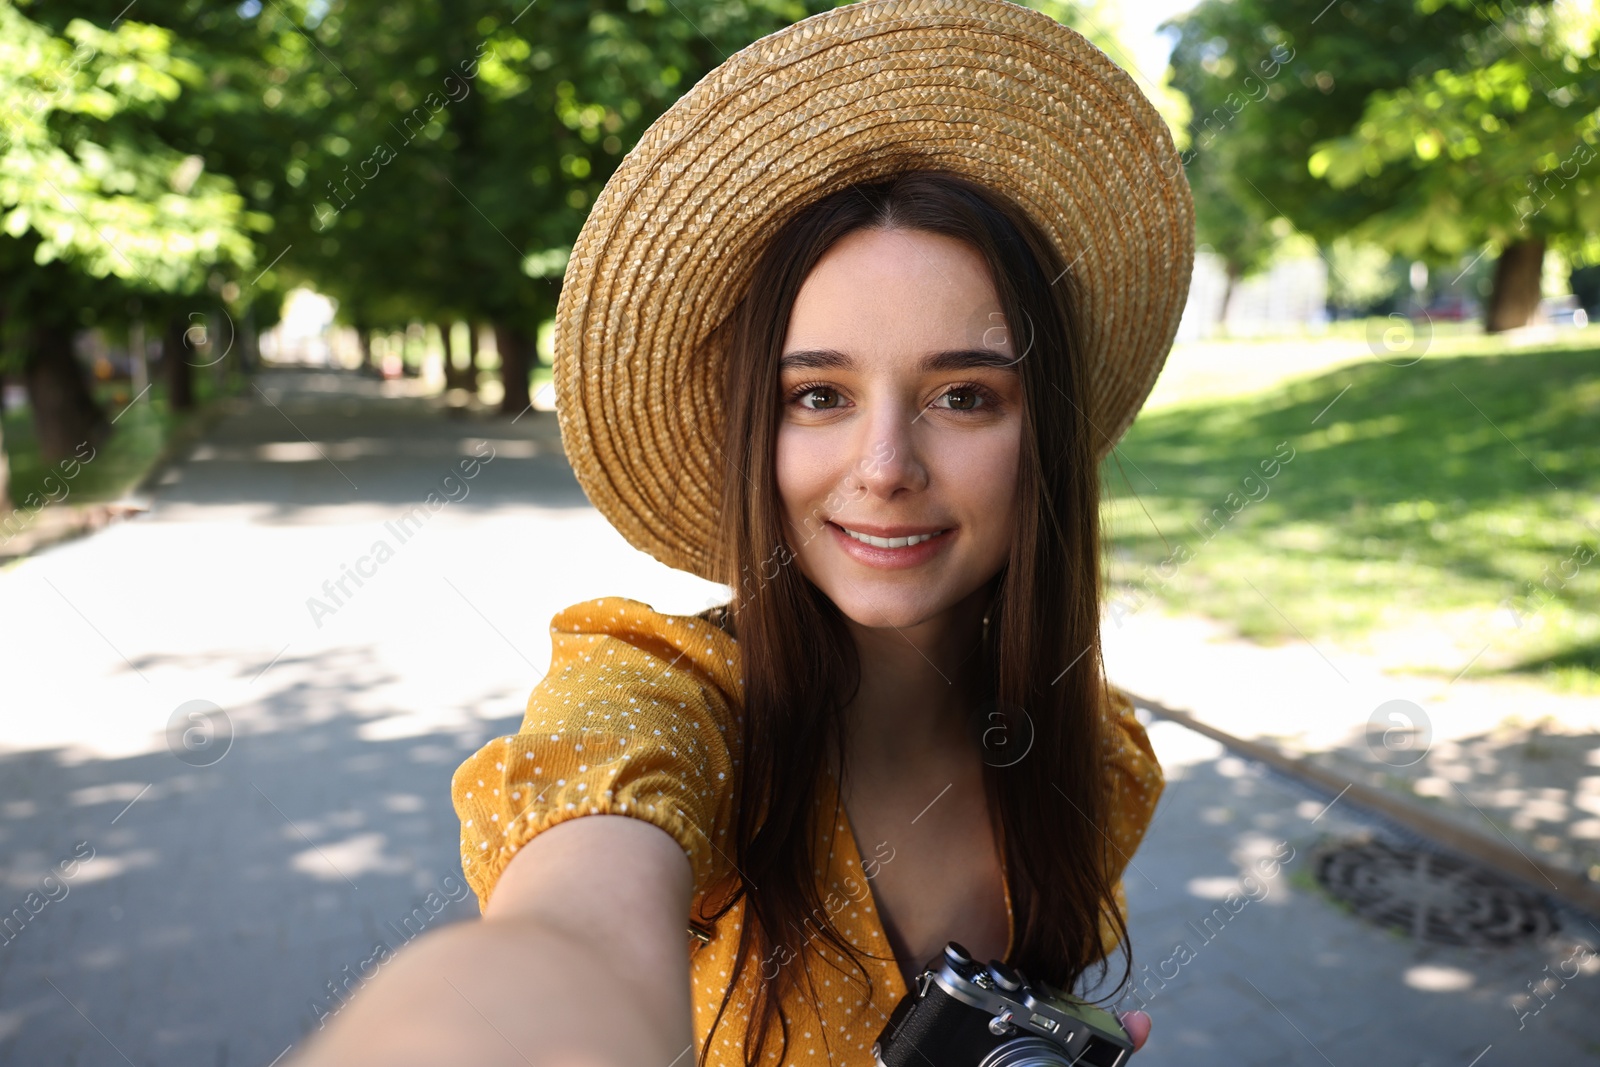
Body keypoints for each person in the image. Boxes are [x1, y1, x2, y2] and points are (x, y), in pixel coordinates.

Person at [287, 2, 1192, 1065]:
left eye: (962, 395)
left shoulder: (1096, 756)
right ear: (753, 430)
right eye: (818, 396)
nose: (886, 466)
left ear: (1042, 432)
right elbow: (564, 940)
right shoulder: (660, 702)